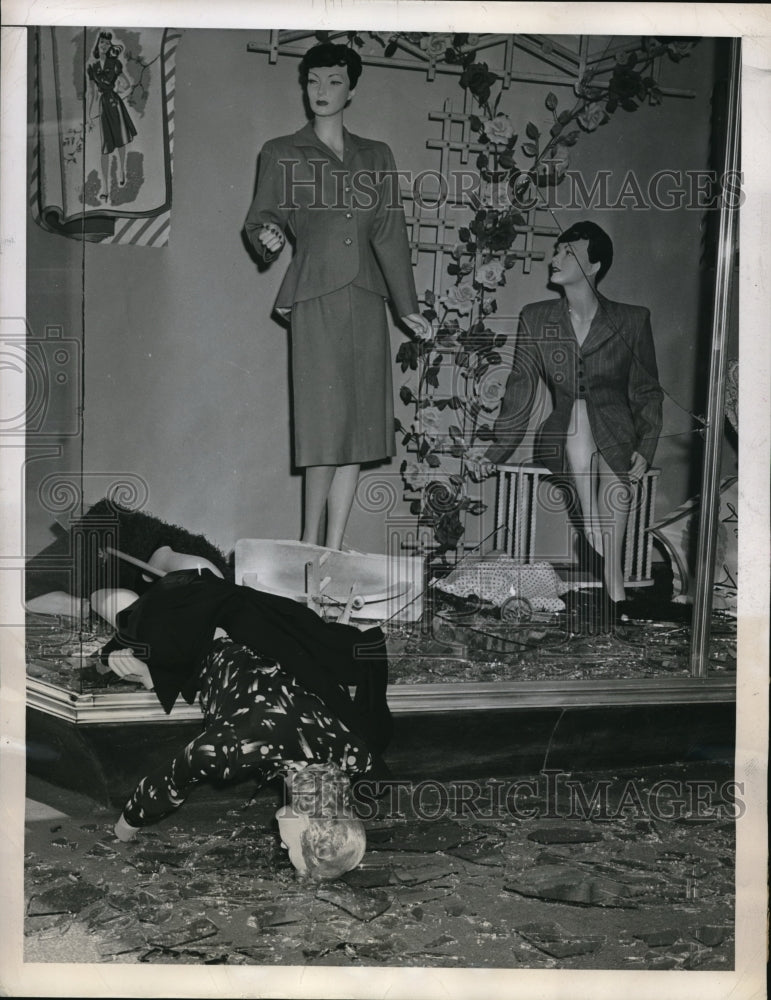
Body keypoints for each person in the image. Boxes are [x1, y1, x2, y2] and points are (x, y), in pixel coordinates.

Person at [245, 41, 431, 550]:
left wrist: (407, 307)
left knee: (359, 430)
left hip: (367, 297)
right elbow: (262, 219)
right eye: (313, 82)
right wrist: (268, 237)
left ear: (351, 88)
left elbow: (390, 233)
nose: (321, 92)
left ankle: (333, 550)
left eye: (333, 82)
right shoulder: (281, 151)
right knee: (324, 427)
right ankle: (307, 546)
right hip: (317, 296)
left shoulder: (378, 155)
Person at [94, 568, 390, 871]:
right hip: (199, 627)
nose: (283, 848)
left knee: (185, 570)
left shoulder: (353, 756)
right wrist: (122, 836)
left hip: (263, 619)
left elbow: (369, 766)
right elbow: (165, 785)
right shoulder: (230, 749)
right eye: (290, 849)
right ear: (303, 821)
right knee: (106, 602)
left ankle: (163, 583)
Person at [481, 221, 663, 625]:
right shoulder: (535, 317)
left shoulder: (631, 320)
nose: (555, 258)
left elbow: (647, 391)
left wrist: (645, 448)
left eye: (568, 252)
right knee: (579, 411)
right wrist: (496, 451)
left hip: (616, 436)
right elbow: (521, 389)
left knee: (613, 465)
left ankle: (610, 575)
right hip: (560, 436)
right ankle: (602, 549)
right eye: (557, 250)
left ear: (594, 266)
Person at [87, 30, 137, 200]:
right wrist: (88, 115)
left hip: (115, 104)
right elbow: (91, 93)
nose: (104, 45)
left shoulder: (115, 63)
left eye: (107, 44)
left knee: (121, 139)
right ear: (98, 43)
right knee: (106, 147)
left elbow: (128, 84)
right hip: (103, 107)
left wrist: (119, 91)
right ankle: (106, 188)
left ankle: (122, 170)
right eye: (102, 42)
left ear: (109, 47)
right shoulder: (92, 67)